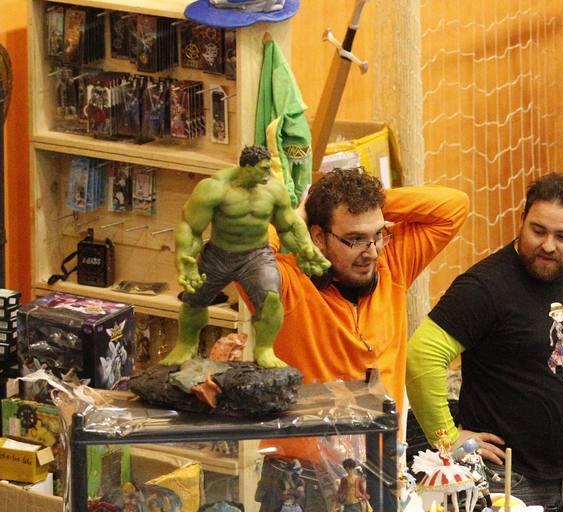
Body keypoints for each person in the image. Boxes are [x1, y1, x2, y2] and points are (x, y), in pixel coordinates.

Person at [406, 173, 563, 512]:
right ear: (521, 222)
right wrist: (448, 438)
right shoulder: (485, 287)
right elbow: (421, 356)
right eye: (538, 230)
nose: (548, 245)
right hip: (504, 479)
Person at [270, 166, 468, 413]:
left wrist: (373, 201)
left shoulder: (392, 264)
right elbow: (243, 257)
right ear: (319, 237)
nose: (372, 252)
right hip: (303, 451)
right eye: (355, 239)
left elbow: (454, 206)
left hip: (384, 448)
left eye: (377, 234)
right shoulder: (289, 281)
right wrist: (295, 220)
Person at [164, 145, 330, 369]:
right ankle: (186, 343)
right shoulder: (214, 188)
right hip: (218, 255)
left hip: (256, 256)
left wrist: (305, 248)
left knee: (271, 299)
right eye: (262, 169)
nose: (267, 174)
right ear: (247, 167)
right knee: (194, 299)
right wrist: (185, 259)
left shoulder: (273, 190)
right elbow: (190, 228)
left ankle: (264, 349)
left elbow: (288, 225)